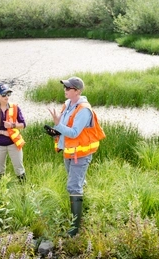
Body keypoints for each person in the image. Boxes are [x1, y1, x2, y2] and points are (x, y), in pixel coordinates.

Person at [48, 76, 105, 237]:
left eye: (68, 88)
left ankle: (75, 229)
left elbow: (74, 133)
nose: (65, 90)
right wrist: (55, 130)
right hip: (68, 152)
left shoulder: (84, 110)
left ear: (77, 91)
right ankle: (85, 208)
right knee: (77, 182)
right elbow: (64, 127)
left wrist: (58, 125)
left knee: (73, 186)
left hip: (80, 154)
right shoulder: (67, 105)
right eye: (65, 87)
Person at [0, 83, 27, 182]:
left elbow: (23, 124)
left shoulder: (15, 107)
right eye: (3, 94)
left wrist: (12, 125)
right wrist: (2, 132)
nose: (6, 97)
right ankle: (0, 191)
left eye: (8, 94)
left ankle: (23, 190)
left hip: (14, 143)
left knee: (19, 169)